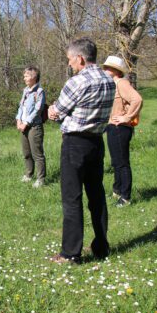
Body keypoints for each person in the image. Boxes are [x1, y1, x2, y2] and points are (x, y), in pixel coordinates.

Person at [47, 38, 115, 263]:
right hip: (96, 142)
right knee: (96, 195)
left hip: (75, 143)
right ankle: (101, 245)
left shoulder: (76, 82)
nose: (70, 64)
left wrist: (51, 111)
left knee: (72, 198)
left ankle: (70, 252)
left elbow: (58, 110)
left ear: (80, 58)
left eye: (70, 60)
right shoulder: (109, 79)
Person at [102, 56, 143, 207]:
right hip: (112, 126)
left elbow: (137, 99)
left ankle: (125, 197)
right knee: (116, 162)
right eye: (105, 67)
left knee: (122, 163)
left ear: (116, 71)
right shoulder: (113, 84)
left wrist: (127, 117)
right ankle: (117, 190)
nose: (105, 70)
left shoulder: (122, 83)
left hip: (120, 128)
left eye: (108, 68)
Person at [15, 66, 46, 187]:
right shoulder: (25, 91)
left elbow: (38, 110)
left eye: (26, 76)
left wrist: (26, 123)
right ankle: (28, 174)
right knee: (26, 153)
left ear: (34, 77)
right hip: (23, 126)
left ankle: (41, 179)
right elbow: (21, 107)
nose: (24, 78)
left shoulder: (39, 92)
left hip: (34, 127)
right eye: (24, 76)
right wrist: (18, 120)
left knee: (37, 154)